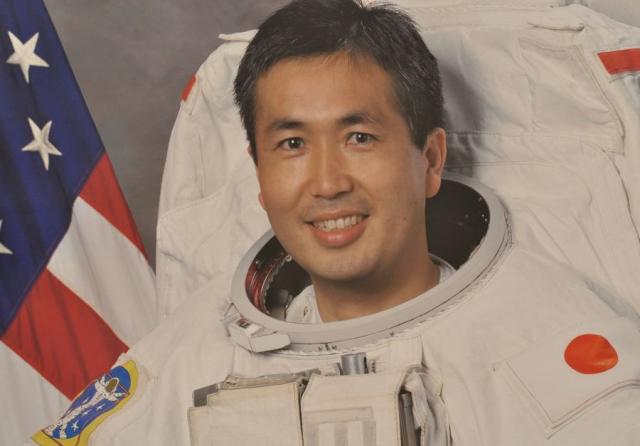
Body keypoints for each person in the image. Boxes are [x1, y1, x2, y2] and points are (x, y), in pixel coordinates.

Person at [30, 1, 640, 445]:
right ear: (259, 175)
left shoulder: (560, 365)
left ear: (430, 160)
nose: (326, 182)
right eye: (292, 144)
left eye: (359, 137)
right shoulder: (199, 344)